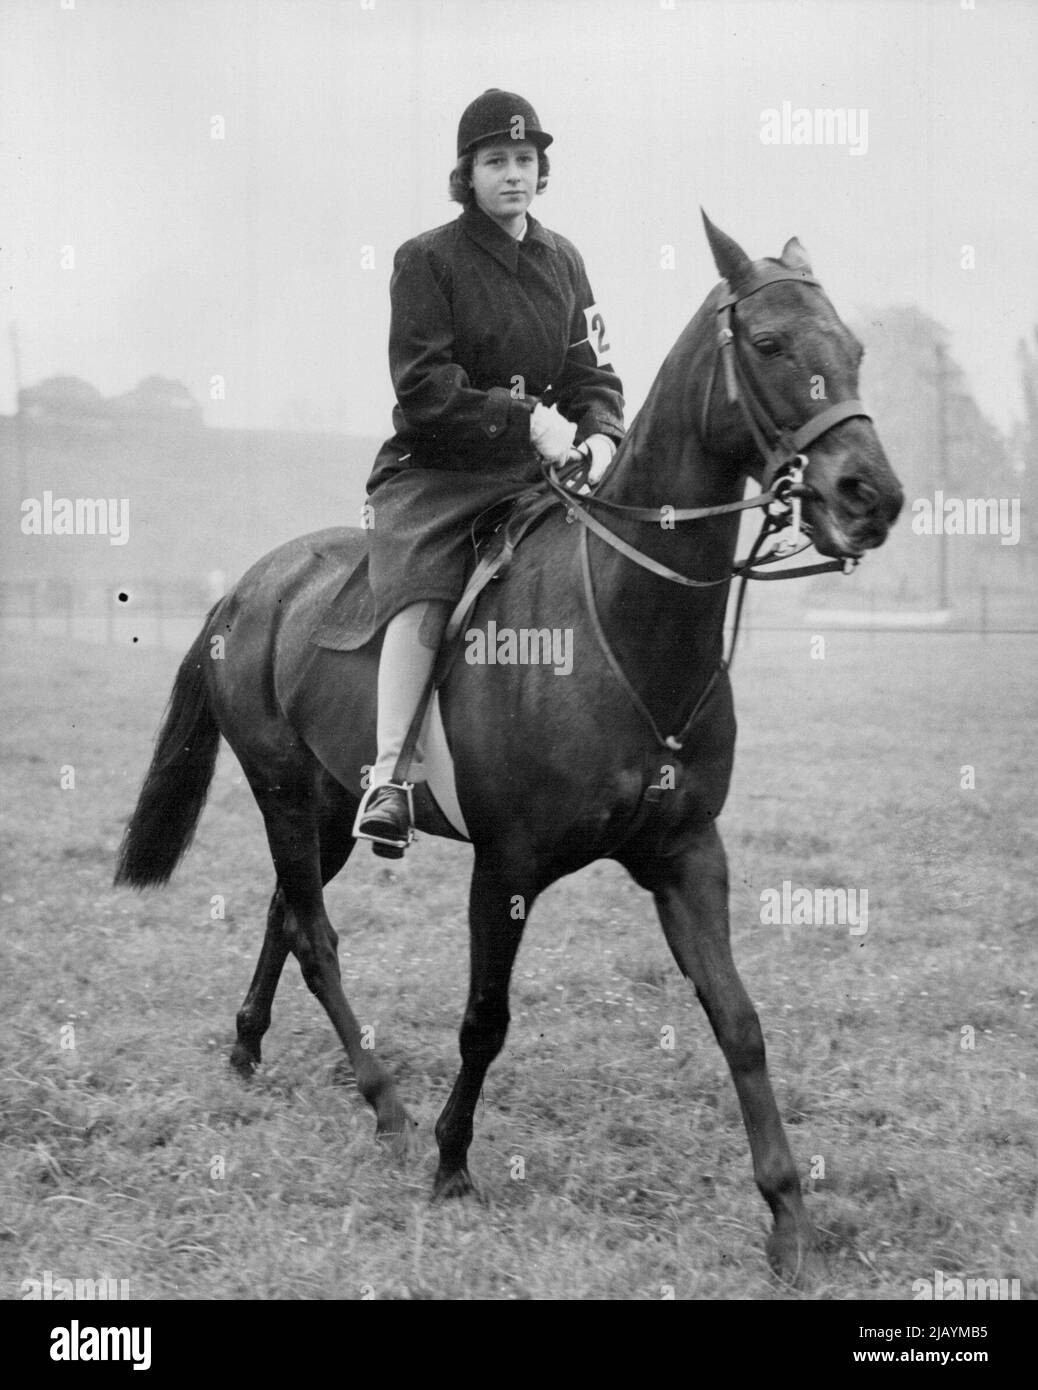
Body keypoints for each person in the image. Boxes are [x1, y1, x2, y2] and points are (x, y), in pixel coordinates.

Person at [355, 89, 625, 853]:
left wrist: (600, 438)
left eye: (526, 161)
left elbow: (594, 374)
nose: (514, 174)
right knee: (424, 597)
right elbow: (424, 389)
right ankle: (389, 778)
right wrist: (527, 420)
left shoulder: (566, 260)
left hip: (533, 476)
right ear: (467, 174)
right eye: (496, 161)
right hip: (435, 473)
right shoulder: (425, 260)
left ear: (542, 172)